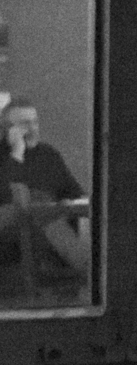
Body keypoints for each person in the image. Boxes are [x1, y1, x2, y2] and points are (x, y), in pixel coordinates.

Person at [0, 95, 90, 288]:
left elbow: (76, 194)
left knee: (47, 206)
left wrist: (66, 206)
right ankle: (88, 268)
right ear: (8, 129)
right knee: (31, 199)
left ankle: (86, 267)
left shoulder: (48, 155)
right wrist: (17, 153)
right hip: (8, 234)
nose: (33, 128)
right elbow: (6, 195)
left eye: (35, 122)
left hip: (48, 232)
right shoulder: (3, 157)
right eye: (25, 124)